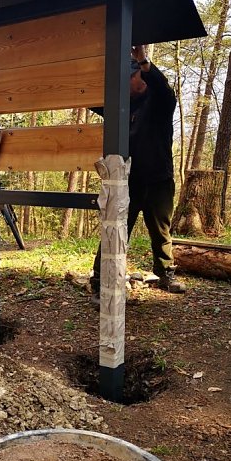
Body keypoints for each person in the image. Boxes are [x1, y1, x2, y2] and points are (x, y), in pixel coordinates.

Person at [91, 44, 186, 299]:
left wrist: (144, 62)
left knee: (161, 231)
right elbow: (91, 99)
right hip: (128, 182)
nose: (128, 84)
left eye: (131, 78)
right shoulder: (121, 106)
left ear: (140, 78)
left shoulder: (158, 103)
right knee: (115, 230)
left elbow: (166, 92)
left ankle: (165, 273)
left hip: (158, 180)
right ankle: (100, 282)